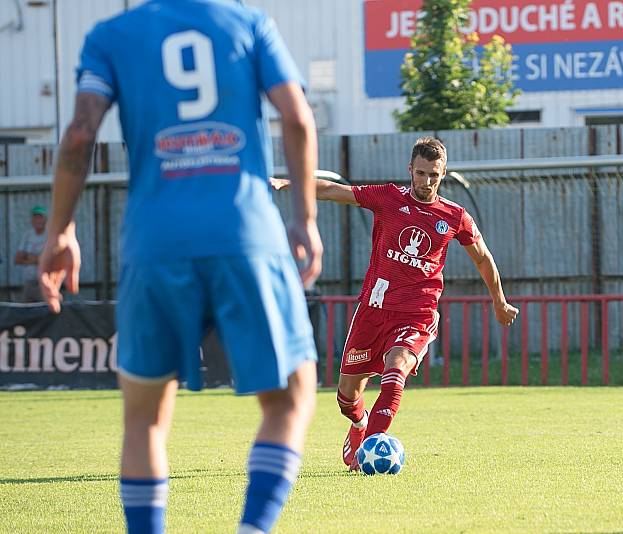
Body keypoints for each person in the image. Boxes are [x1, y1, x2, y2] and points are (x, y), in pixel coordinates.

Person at [37, 1, 322, 533]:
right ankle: (252, 528)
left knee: (145, 417)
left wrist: (60, 230)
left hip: (155, 243)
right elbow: (297, 117)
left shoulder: (111, 35)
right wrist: (305, 216)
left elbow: (79, 136)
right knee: (290, 396)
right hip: (245, 236)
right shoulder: (249, 24)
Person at [272, 136, 518, 470]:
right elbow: (333, 191)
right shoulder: (387, 198)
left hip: (417, 313)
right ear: (410, 170)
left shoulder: (454, 217)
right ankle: (359, 425)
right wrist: (293, 183)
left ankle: (369, 450)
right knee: (346, 397)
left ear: (443, 173)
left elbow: (483, 258)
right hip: (372, 311)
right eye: (421, 173)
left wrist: (499, 302)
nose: (427, 181)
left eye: (434, 174)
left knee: (397, 365)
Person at [15, 205, 48, 302]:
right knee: (26, 313)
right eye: (35, 217)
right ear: (32, 220)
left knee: (48, 312)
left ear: (45, 219)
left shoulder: (50, 235)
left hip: (46, 282)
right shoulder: (27, 235)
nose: (38, 220)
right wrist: (37, 259)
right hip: (29, 283)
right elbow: (17, 259)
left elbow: (52, 259)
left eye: (40, 217)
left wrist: (29, 257)